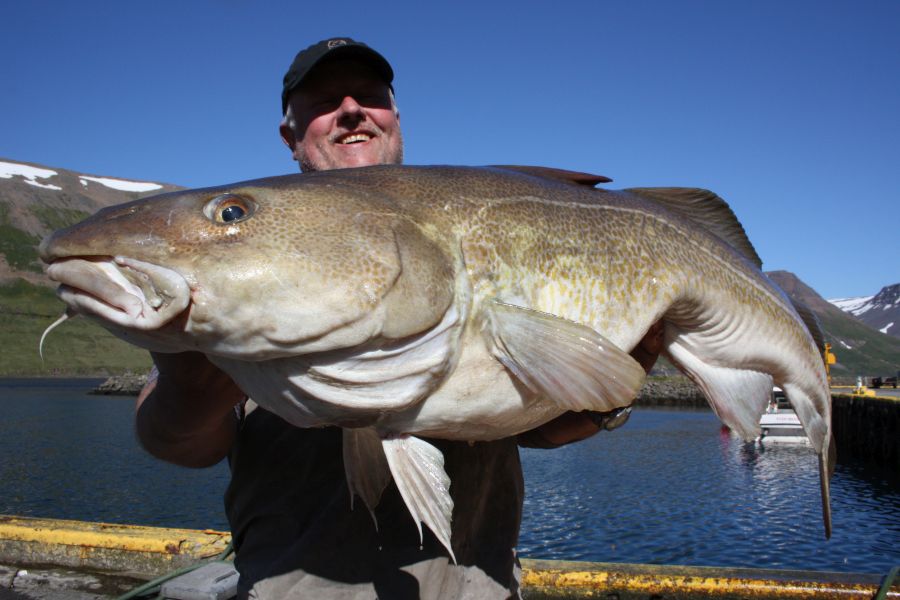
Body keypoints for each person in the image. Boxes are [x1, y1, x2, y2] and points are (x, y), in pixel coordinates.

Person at [136, 37, 664, 599]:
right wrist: (192, 383)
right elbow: (178, 445)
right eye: (322, 102)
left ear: (395, 119)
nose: (350, 110)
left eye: (369, 96)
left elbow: (539, 429)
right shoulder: (237, 258)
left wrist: (616, 389)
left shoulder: (482, 232)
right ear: (290, 136)